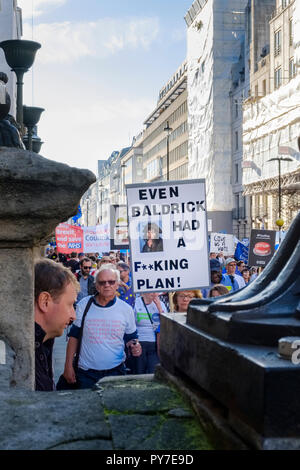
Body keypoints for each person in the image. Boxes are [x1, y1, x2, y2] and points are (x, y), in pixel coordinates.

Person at [63, 265, 142, 389]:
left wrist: (135, 345)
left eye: (111, 282)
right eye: (102, 282)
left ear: (117, 284)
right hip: (86, 373)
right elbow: (74, 337)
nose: (107, 285)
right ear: (96, 285)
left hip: (116, 372)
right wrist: (67, 366)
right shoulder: (84, 305)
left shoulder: (126, 309)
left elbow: (131, 337)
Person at [34, 259, 79, 391]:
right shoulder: (17, 354)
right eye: (70, 305)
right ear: (45, 302)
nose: (73, 316)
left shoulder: (44, 342)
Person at [134, 293, 167, 374]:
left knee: (153, 372)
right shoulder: (136, 302)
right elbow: (131, 325)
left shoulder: (161, 304)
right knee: (139, 373)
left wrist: (159, 307)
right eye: (151, 291)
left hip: (155, 344)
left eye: (155, 291)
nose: (154, 293)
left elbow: (165, 323)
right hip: (140, 342)